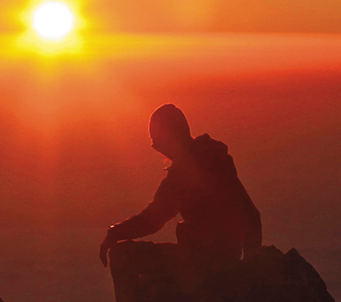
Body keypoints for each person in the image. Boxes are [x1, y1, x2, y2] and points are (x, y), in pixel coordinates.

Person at [97, 105, 263, 268]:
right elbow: (251, 213)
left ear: (170, 138)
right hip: (225, 256)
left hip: (204, 261)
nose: (158, 150)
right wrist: (249, 260)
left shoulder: (184, 173)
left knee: (122, 255)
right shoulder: (216, 157)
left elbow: (152, 220)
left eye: (157, 143)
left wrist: (114, 233)